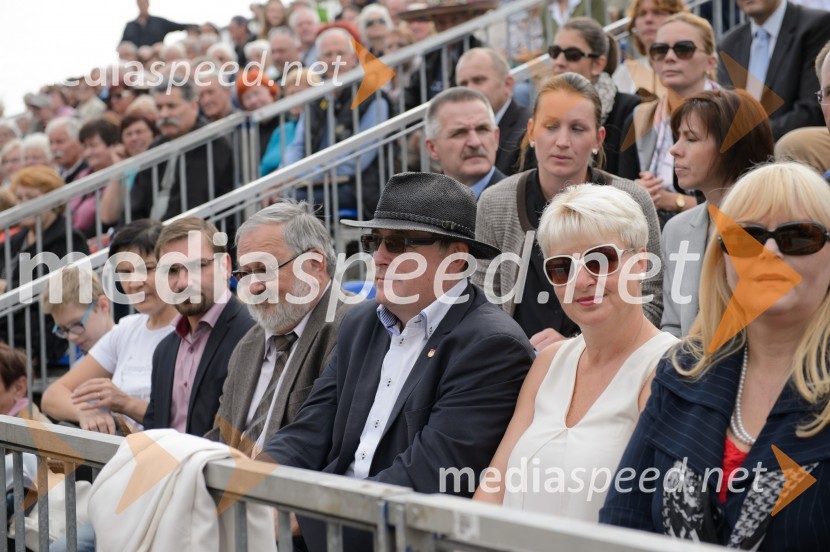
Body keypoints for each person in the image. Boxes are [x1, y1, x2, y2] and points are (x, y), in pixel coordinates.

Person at [259, 172, 534, 551]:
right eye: (374, 241)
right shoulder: (360, 323)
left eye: (400, 243)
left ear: (456, 261)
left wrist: (301, 520)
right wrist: (251, 481)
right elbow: (309, 430)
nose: (380, 257)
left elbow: (427, 477)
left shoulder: (491, 346)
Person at [601, 162, 830, 550]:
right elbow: (623, 522)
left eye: (798, 236)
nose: (769, 251)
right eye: (748, 237)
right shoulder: (683, 371)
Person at [474, 184, 679, 520]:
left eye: (600, 260)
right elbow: (494, 485)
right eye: (561, 268)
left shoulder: (667, 369)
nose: (581, 280)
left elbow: (654, 514)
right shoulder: (550, 362)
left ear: (640, 264)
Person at [474, 73, 663, 353]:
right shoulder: (495, 201)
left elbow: (651, 299)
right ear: (531, 131)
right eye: (551, 127)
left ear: (599, 138)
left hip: (611, 362)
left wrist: (577, 348)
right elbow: (482, 301)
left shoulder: (632, 200)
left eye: (577, 129)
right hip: (515, 366)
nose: (562, 141)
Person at [204, 201, 352, 455]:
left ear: (314, 265)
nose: (253, 286)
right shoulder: (249, 344)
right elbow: (220, 438)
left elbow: (322, 446)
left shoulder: (350, 328)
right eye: (245, 274)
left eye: (264, 269)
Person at [41, 220, 178, 434]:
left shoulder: (192, 331)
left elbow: (189, 419)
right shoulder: (125, 330)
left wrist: (126, 404)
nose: (134, 282)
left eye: (147, 268)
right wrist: (85, 413)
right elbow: (53, 395)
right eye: (125, 272)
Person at [661, 89, 775, 338]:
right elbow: (671, 326)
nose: (675, 150)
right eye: (677, 137)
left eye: (691, 139)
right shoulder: (676, 229)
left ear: (733, 147)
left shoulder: (774, 229)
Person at [143, 217, 255, 436]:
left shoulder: (253, 335)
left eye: (198, 265)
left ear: (226, 266)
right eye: (172, 270)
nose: (183, 282)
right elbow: (153, 429)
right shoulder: (164, 351)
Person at [618, 13, 718, 226]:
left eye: (683, 49)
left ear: (710, 62)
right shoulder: (638, 118)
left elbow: (744, 199)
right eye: (660, 50)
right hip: (653, 239)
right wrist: (636, 192)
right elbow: (621, 193)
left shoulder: (734, 116)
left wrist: (676, 201)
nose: (669, 57)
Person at [281, 28, 390, 216]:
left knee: (289, 203)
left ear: (354, 58)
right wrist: (282, 177)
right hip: (316, 184)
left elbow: (357, 159)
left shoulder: (375, 98)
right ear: (318, 62)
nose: (334, 61)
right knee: (279, 198)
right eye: (327, 55)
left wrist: (303, 175)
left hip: (360, 188)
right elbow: (297, 146)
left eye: (340, 53)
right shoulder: (315, 99)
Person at [716, 0, 830, 139]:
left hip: (792, 150)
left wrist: (753, 138)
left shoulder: (816, 25)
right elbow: (728, 112)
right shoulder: (729, 43)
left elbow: (813, 109)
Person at [129, 79, 235, 224]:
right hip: (152, 235)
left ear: (193, 106)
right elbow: (136, 203)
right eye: (159, 108)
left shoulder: (212, 143)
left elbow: (192, 201)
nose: (164, 114)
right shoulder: (156, 147)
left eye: (171, 106)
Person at [549, 17, 641, 176]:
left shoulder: (630, 109)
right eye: (555, 52)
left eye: (572, 55)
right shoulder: (544, 110)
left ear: (598, 64)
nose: (559, 61)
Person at [455, 47, 533, 176]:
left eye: (478, 80)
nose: (469, 90)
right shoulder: (453, 134)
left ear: (507, 84)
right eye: (463, 84)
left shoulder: (527, 131)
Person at [424, 87, 505, 198]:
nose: (475, 142)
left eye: (482, 129)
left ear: (496, 138)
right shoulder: (417, 210)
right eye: (459, 133)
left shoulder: (522, 202)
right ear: (432, 148)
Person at [614, 0, 687, 99]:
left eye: (657, 12)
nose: (648, 19)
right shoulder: (624, 72)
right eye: (642, 14)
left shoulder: (690, 66)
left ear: (676, 18)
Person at [260, 67, 320, 176]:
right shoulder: (281, 130)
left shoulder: (319, 126)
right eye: (291, 94)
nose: (295, 99)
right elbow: (263, 167)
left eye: (300, 93)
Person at [74, 119, 119, 237]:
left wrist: (118, 167)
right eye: (85, 147)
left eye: (93, 145)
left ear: (112, 145)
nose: (88, 152)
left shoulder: (122, 174)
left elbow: (108, 217)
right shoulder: (82, 175)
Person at [121, 0, 191, 47]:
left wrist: (197, 27)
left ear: (148, 3)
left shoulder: (159, 22)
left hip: (157, 58)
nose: (142, 6)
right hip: (135, 61)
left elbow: (180, 26)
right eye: (140, 3)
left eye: (144, 3)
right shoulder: (130, 26)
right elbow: (122, 44)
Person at [46, 117, 89, 184]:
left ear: (78, 142)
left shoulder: (89, 172)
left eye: (59, 142)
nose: (53, 148)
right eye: (51, 143)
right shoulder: (58, 175)